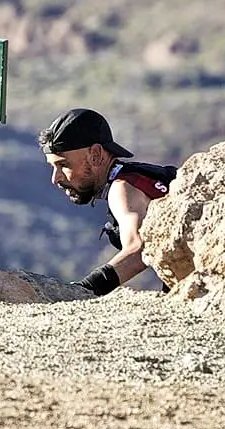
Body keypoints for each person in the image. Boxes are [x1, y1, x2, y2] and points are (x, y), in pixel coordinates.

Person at [38, 108, 176, 296]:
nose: (55, 178)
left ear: (96, 154)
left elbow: (139, 249)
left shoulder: (122, 188)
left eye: (64, 165)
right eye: (53, 167)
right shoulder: (142, 176)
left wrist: (82, 290)